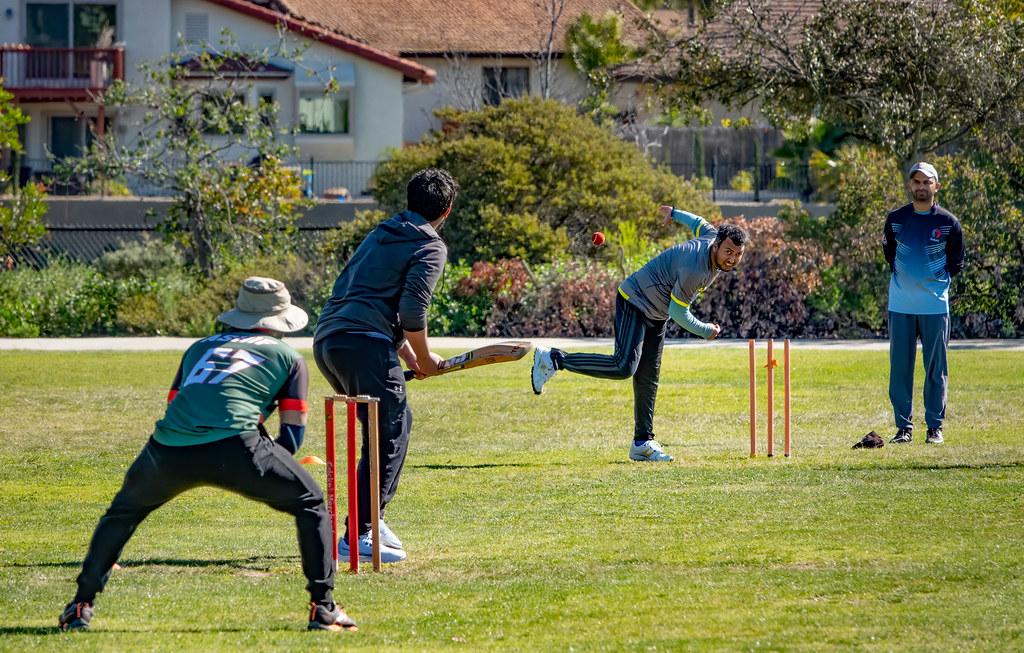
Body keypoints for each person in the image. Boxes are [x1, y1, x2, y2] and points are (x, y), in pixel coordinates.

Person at [58, 277, 357, 633]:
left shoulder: (198, 348)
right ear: (279, 321)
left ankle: (80, 605)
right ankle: (323, 608)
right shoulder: (289, 358)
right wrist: (257, 464)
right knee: (310, 502)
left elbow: (177, 405)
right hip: (237, 445)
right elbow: (291, 437)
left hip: (167, 448)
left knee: (121, 514)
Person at [313, 168, 459, 563]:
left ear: (409, 201)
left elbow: (368, 296)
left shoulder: (381, 232)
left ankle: (367, 521)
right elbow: (411, 309)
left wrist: (411, 358)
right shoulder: (431, 246)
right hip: (363, 343)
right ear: (446, 210)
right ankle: (358, 533)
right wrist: (427, 357)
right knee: (390, 433)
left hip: (329, 340)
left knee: (384, 430)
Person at [531, 206, 749, 462]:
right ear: (716, 246)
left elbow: (698, 221)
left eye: (738, 254)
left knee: (648, 378)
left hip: (657, 314)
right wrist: (706, 330)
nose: (732, 259)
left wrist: (675, 213)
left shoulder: (712, 234)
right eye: (728, 252)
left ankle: (642, 443)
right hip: (634, 300)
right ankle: (554, 359)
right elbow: (679, 314)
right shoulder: (695, 271)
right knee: (624, 367)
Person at [883, 162, 965, 444]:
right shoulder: (895, 219)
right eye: (916, 181)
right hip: (901, 305)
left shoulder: (948, 222)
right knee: (900, 370)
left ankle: (934, 428)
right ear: (910, 185)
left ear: (936, 186)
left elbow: (956, 262)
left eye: (926, 182)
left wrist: (933, 284)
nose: (921, 186)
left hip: (934, 307)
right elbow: (890, 254)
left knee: (935, 370)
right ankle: (904, 428)